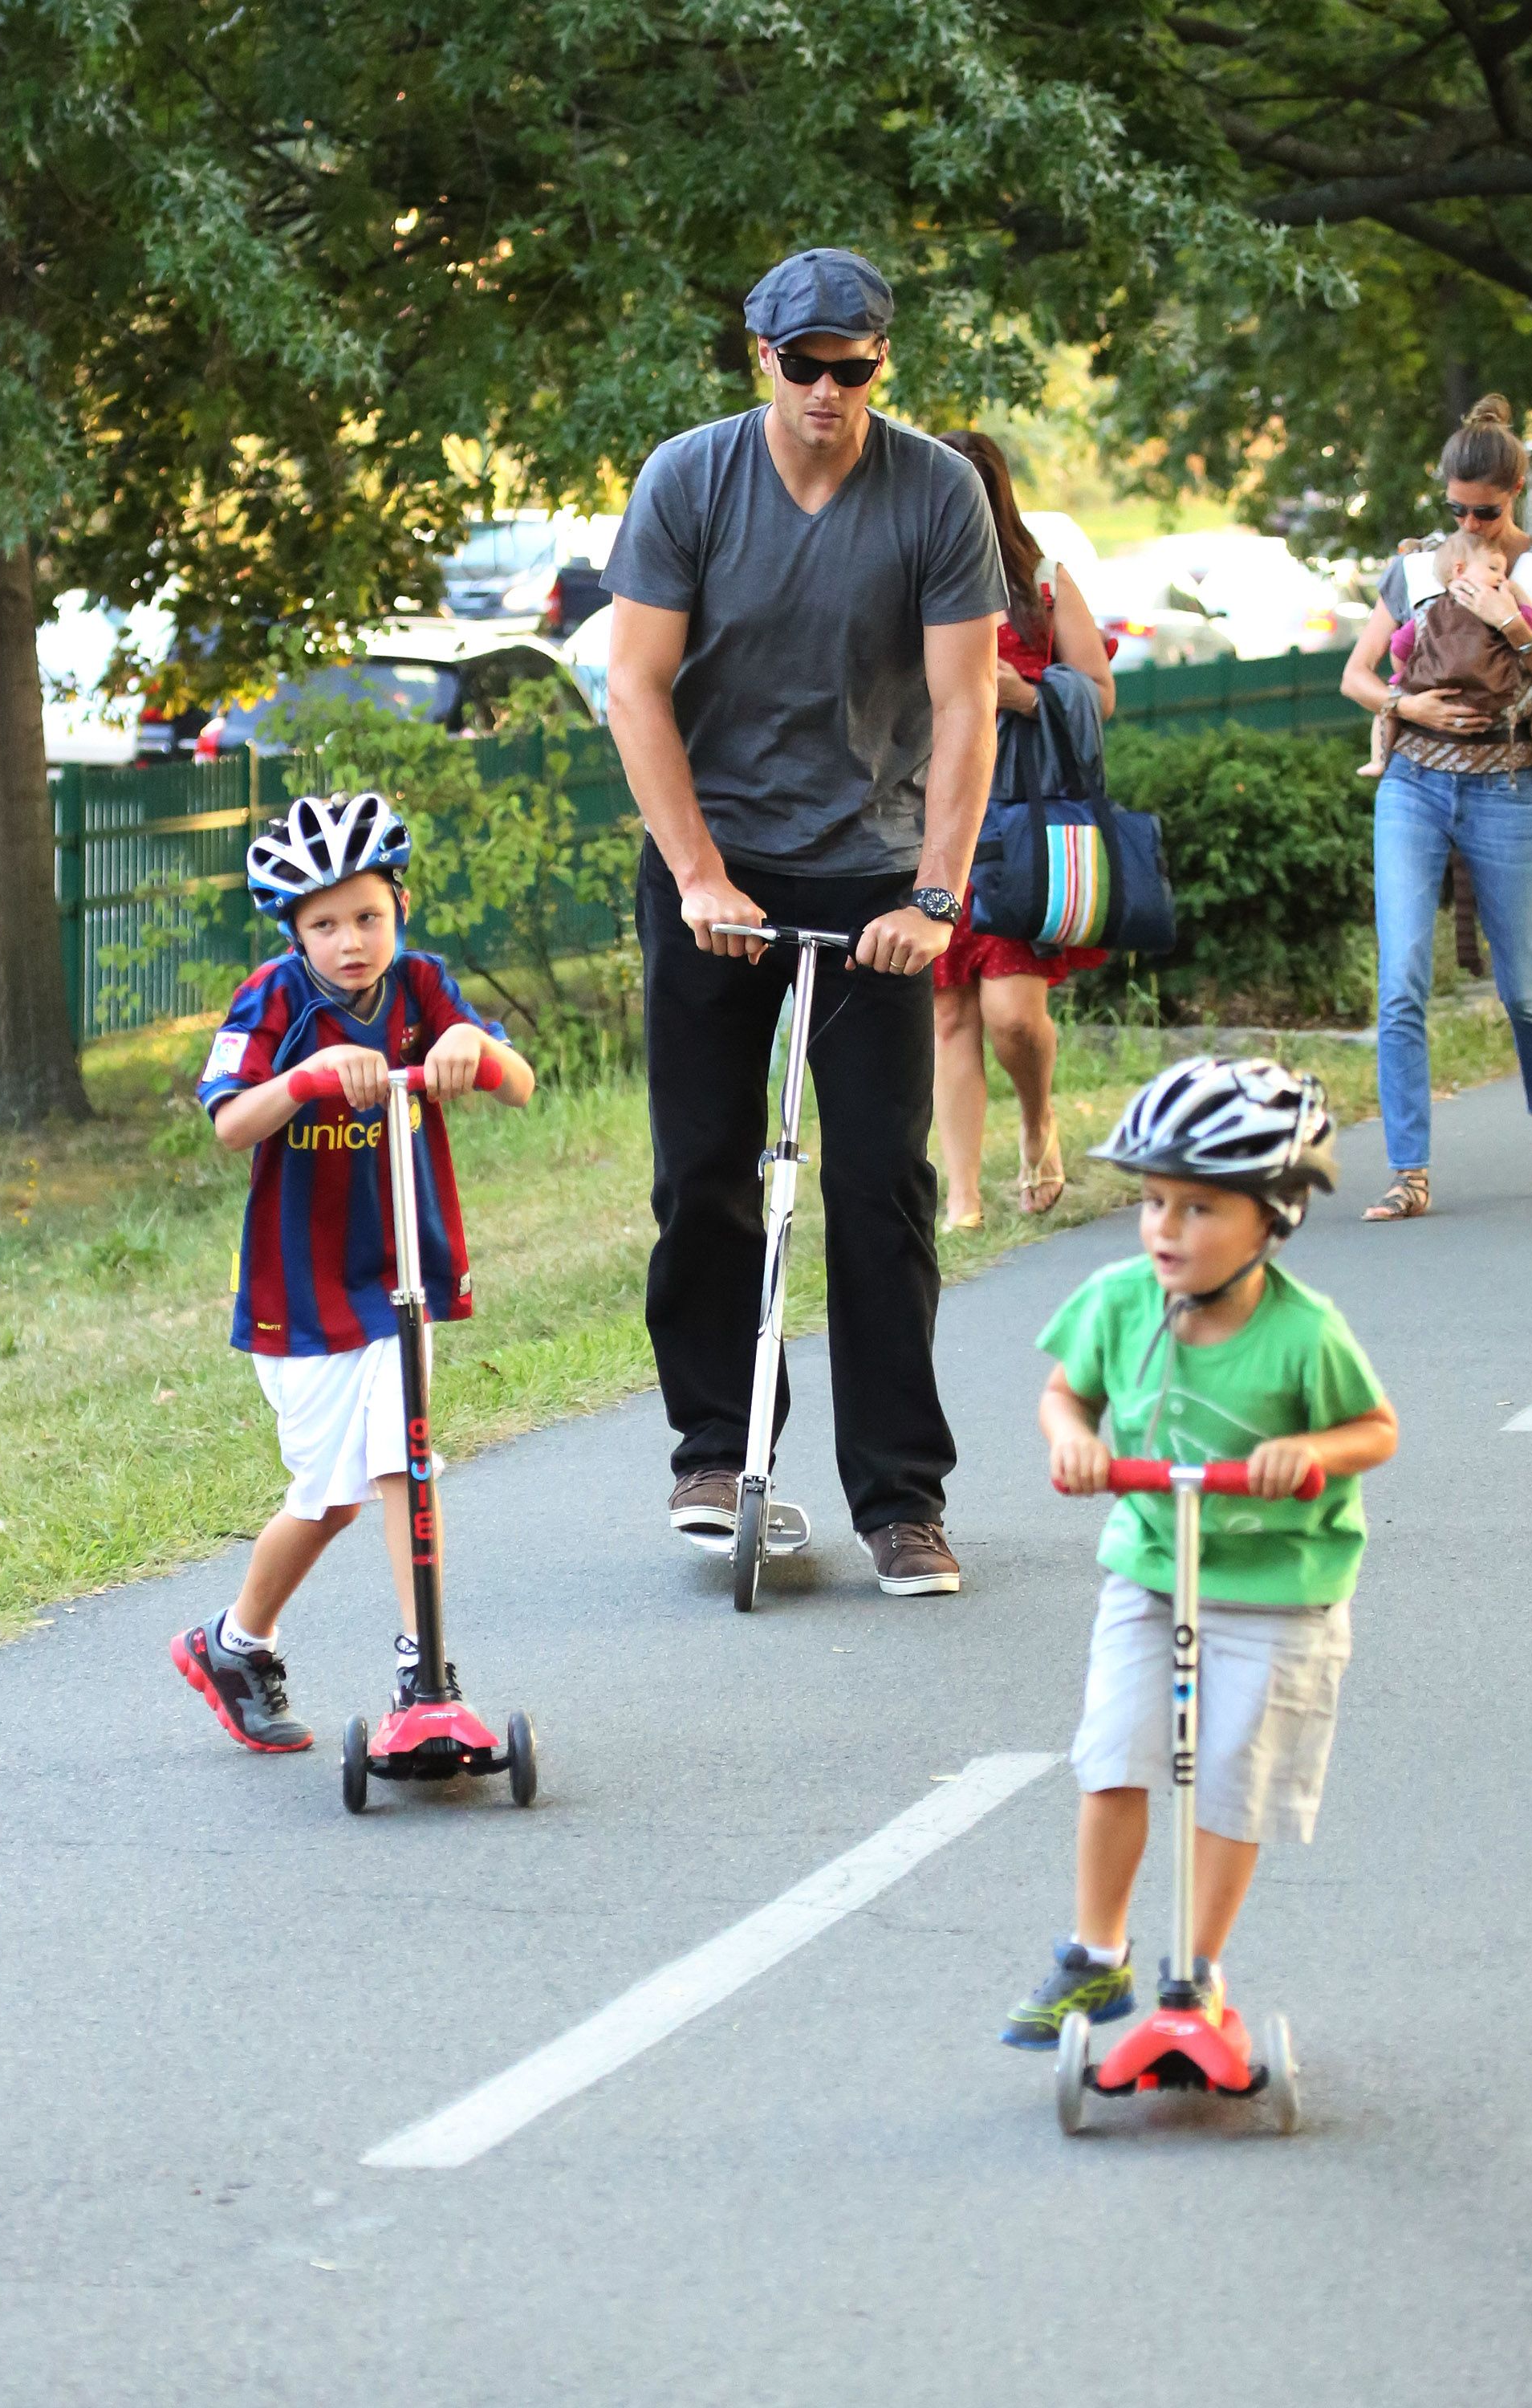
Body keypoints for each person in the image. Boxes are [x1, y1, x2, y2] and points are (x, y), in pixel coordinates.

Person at [602, 247, 1006, 1598]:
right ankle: (716, 1453)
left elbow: (963, 708)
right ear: (757, 355)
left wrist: (934, 893)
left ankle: (900, 1499)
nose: (826, 390)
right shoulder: (689, 480)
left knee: (880, 1189)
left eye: (851, 367)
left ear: (880, 361)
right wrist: (702, 875)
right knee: (703, 1172)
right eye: (801, 365)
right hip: (712, 866)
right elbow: (635, 692)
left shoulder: (935, 494)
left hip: (871, 878)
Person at [1000, 1056, 1398, 2048]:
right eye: (1153, 1204)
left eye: (1200, 1210)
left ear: (1276, 1215)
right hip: (1150, 1567)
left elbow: (1374, 1429)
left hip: (1279, 1592)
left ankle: (1196, 1974)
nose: (1165, 1231)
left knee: (1231, 1775)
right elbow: (1063, 1393)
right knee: (1114, 1753)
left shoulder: (1305, 1333)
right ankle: (1096, 1959)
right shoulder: (1119, 1301)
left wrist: (1306, 1450)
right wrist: (1074, 1441)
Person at [170, 791, 534, 1751]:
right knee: (328, 1498)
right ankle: (234, 1641)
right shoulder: (275, 999)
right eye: (324, 925)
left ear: (400, 909)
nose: (350, 942)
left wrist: (472, 1045)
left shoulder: (421, 988)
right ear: (295, 934)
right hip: (301, 1293)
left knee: (399, 1463)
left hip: (397, 1277)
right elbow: (226, 1123)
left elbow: (519, 1082)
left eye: (367, 916)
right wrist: (304, 1079)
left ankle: (426, 1673)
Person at [1342, 393, 1532, 1220]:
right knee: (1401, 982)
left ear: (1514, 492)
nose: (1469, 523)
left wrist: (1512, 627)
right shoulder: (1415, 566)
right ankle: (1408, 1170)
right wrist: (1401, 707)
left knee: (1523, 989)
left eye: (1482, 511)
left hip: (1507, 784)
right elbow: (1356, 674)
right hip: (1413, 783)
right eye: (1455, 508)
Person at [929, 432, 1117, 1230]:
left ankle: (1038, 1120)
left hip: (1019, 821)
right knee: (948, 1012)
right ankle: (963, 1196)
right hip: (930, 817)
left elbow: (1099, 694)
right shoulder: (905, 578)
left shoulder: (1040, 581)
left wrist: (1026, 693)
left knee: (1010, 1012)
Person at [1359, 528, 1532, 792]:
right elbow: (1530, 624)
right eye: (1494, 569)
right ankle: (1378, 758)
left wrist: (1404, 673)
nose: (1502, 577)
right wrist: (1518, 601)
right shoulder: (1441, 606)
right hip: (1469, 687)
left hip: (1452, 687)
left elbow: (1401, 644)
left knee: (1388, 707)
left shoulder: (1434, 607)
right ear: (1460, 569)